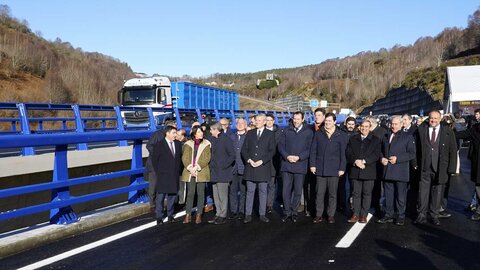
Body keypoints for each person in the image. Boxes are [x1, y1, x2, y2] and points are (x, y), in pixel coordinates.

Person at [414, 110, 457, 226]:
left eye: (436, 118)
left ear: (440, 119)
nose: (433, 120)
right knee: (423, 192)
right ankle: (421, 215)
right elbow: (415, 148)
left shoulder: (448, 132)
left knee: (437, 193)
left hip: (440, 168)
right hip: (425, 167)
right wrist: (415, 164)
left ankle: (434, 215)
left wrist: (451, 169)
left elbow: (453, 151)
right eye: (431, 118)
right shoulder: (421, 130)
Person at [310, 112, 348, 224]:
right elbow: (313, 150)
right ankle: (318, 215)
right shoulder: (318, 134)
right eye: (326, 121)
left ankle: (331, 215)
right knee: (319, 193)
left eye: (330, 121)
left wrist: (342, 168)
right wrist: (312, 165)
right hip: (320, 168)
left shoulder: (341, 135)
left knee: (332, 194)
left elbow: (343, 154)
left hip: (334, 169)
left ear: (335, 122)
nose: (327, 123)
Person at [377, 116, 416, 226]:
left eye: (396, 124)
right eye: (392, 124)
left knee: (400, 196)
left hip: (400, 171)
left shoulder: (408, 137)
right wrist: (382, 158)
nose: (394, 126)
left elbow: (412, 153)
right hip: (387, 170)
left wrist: (398, 159)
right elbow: (380, 151)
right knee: (388, 195)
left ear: (401, 124)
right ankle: (388, 214)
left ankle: (400, 216)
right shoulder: (386, 136)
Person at [278, 111, 313, 223]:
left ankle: (294, 212)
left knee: (298, 191)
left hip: (300, 165)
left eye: (298, 119)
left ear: (302, 119)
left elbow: (310, 149)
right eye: (294, 118)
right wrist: (287, 156)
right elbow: (280, 146)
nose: (296, 121)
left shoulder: (308, 132)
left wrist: (299, 157)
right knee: (286, 190)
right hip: (287, 165)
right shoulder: (286, 131)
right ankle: (287, 212)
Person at [241, 114, 276, 223]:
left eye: (260, 120)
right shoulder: (250, 133)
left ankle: (262, 214)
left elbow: (272, 151)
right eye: (256, 120)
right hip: (250, 166)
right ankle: (248, 214)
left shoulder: (270, 134)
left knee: (263, 191)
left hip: (263, 167)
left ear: (265, 122)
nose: (257, 122)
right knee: (250, 191)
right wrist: (249, 160)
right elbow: (244, 150)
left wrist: (262, 161)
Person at [346, 119, 382, 223]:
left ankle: (363, 215)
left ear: (370, 128)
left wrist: (364, 161)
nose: (364, 128)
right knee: (356, 193)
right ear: (359, 127)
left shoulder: (376, 140)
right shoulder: (353, 139)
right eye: (362, 126)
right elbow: (348, 152)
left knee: (367, 194)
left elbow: (376, 154)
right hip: (355, 170)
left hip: (369, 170)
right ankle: (355, 214)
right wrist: (355, 161)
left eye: (366, 126)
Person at [150, 126, 183, 225]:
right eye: (173, 133)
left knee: (172, 195)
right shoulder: (159, 145)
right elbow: (154, 161)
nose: (175, 135)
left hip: (174, 174)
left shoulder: (178, 144)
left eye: (176, 133)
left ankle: (170, 215)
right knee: (160, 196)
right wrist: (160, 171)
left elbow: (178, 158)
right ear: (167, 133)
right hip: (163, 174)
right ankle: (159, 216)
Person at [181, 125, 211, 224]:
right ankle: (188, 215)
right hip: (189, 171)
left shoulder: (207, 144)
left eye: (201, 131)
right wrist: (190, 168)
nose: (201, 133)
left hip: (201, 171)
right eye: (198, 132)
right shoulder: (188, 144)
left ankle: (199, 214)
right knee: (190, 193)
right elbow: (184, 158)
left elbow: (206, 158)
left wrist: (196, 167)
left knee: (201, 193)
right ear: (194, 133)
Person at [145, 121, 177, 212]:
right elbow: (149, 146)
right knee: (154, 185)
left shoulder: (173, 137)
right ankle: (152, 204)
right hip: (155, 164)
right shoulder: (157, 134)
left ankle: (162, 205)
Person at [208, 123, 235, 225]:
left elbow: (232, 155)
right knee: (216, 194)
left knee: (222, 195)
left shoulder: (226, 139)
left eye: (211, 130)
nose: (210, 132)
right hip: (214, 172)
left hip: (223, 172)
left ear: (216, 130)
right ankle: (218, 213)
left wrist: (224, 165)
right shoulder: (212, 139)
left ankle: (222, 215)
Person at [455, 119, 480, 220]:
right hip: (478, 165)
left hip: (478, 165)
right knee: (478, 188)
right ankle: (478, 211)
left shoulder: (475, 128)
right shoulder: (475, 128)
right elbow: (461, 134)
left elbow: (461, 134)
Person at [303, 107, 326, 217]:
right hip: (309, 161)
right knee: (310, 186)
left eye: (319, 115)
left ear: (324, 117)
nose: (317, 117)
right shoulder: (308, 128)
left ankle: (322, 209)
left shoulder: (327, 128)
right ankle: (310, 208)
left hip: (322, 162)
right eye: (315, 115)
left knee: (322, 188)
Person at [366, 116, 388, 217]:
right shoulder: (369, 132)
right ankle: (371, 203)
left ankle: (377, 204)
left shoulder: (382, 132)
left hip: (379, 163)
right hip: (370, 163)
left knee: (377, 186)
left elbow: (383, 148)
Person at [229, 118, 248, 220]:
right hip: (233, 168)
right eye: (238, 123)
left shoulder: (248, 137)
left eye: (242, 123)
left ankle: (241, 211)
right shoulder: (231, 137)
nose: (240, 125)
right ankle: (233, 211)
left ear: (245, 125)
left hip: (244, 167)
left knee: (243, 191)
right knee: (232, 191)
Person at [265, 113, 282, 214]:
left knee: (271, 184)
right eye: (267, 120)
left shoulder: (279, 132)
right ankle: (262, 203)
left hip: (273, 162)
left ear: (273, 121)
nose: (269, 122)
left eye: (271, 120)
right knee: (262, 184)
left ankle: (269, 205)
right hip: (263, 162)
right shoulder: (261, 131)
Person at [175, 128, 187, 205]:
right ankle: (178, 200)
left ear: (182, 136)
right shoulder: (176, 143)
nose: (176, 136)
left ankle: (182, 201)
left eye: (178, 135)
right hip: (177, 167)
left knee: (182, 185)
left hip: (182, 168)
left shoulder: (185, 144)